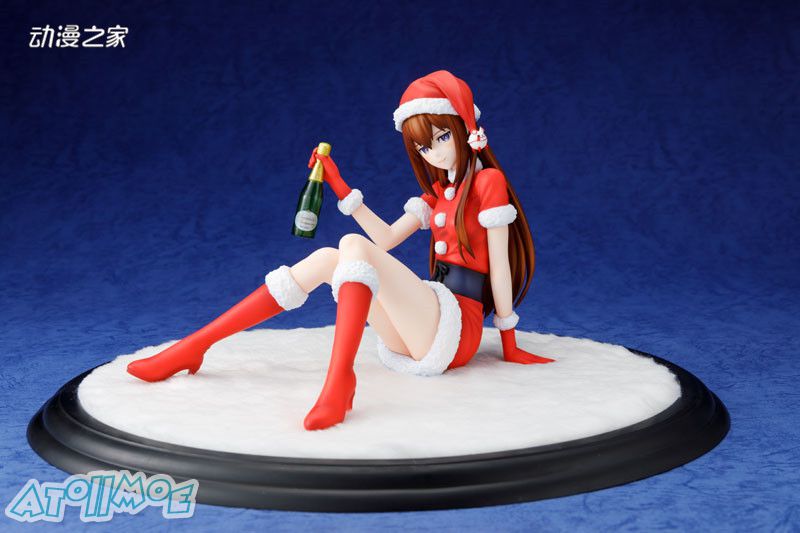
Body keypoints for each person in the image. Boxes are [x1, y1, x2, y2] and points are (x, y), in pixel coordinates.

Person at [126, 70, 555, 431]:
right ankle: (195, 346)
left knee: (351, 245)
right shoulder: (438, 194)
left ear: (464, 128)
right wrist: (338, 184)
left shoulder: (487, 183)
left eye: (441, 137)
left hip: (456, 330)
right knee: (328, 259)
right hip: (421, 326)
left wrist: (509, 342)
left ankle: (339, 381)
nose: (434, 153)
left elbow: (500, 267)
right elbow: (385, 239)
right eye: (424, 147)